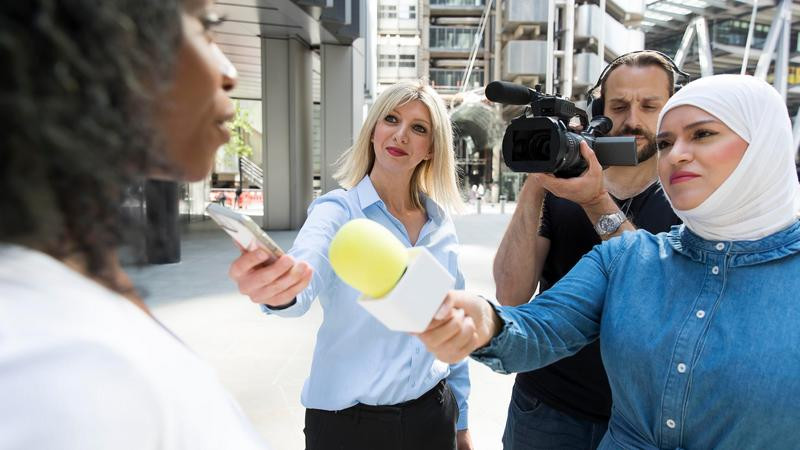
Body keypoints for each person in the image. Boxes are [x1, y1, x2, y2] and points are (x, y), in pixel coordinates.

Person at [420, 74, 800, 448]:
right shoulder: (628, 257)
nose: (678, 153)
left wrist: (593, 198)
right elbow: (536, 327)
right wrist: (482, 321)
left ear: (764, 142)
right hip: (549, 409)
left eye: (702, 134)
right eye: (667, 142)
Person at [0, 1, 269, 449]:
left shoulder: (70, 295)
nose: (229, 73)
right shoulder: (65, 370)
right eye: (207, 27)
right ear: (109, 40)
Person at [228, 80, 473, 450]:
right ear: (374, 130)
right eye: (391, 119)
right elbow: (302, 277)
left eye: (418, 128)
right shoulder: (338, 211)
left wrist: (462, 422)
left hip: (433, 418)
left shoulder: (441, 225)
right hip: (350, 428)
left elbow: (452, 328)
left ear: (430, 149)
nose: (401, 134)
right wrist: (279, 290)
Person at [493, 50, 682, 449]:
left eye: (649, 106)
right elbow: (511, 295)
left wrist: (596, 200)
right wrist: (538, 178)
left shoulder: (688, 194)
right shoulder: (558, 188)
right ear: (600, 109)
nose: (632, 119)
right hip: (545, 406)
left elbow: (659, 296)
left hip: (642, 419)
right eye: (618, 106)